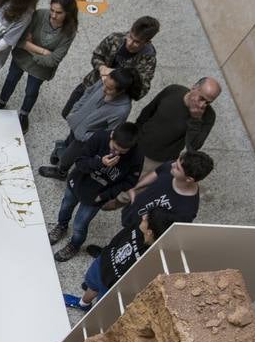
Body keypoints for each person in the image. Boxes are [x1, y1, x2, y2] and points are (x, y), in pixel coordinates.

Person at [47, 122, 143, 262]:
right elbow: (80, 162)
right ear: (111, 136)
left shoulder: (137, 157)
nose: (116, 154)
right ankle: (61, 226)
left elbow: (129, 182)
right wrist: (100, 163)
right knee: (65, 207)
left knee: (80, 225)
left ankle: (74, 245)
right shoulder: (99, 137)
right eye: (114, 148)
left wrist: (104, 196)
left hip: (97, 196)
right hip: (77, 183)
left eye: (122, 152)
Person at [0, 0, 79, 132]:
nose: (53, 16)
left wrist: (28, 46)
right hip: (21, 57)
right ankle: (2, 101)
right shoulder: (40, 15)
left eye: (59, 13)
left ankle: (24, 114)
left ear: (68, 12)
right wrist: (42, 51)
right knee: (11, 79)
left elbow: (53, 61)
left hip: (40, 68)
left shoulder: (69, 31)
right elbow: (18, 39)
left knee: (31, 91)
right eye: (52, 10)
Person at [64, 209, 178, 310]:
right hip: (102, 264)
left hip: (111, 286)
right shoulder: (137, 226)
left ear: (150, 232)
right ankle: (83, 304)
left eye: (146, 219)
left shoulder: (151, 256)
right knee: (92, 286)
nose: (143, 217)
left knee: (101, 307)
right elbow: (117, 239)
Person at [38, 67, 137, 179]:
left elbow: (109, 133)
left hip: (85, 138)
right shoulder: (106, 82)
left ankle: (61, 172)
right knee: (69, 140)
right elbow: (88, 93)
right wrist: (75, 111)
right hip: (77, 123)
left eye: (109, 89)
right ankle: (60, 151)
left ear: (121, 91)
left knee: (69, 156)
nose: (104, 89)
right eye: (104, 84)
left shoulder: (122, 110)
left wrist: (85, 136)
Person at [62, 16, 160, 117]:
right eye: (130, 36)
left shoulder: (148, 60)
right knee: (67, 113)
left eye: (137, 42)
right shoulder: (115, 38)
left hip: (109, 101)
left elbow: (141, 91)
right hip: (90, 84)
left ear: (147, 42)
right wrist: (101, 67)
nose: (130, 43)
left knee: (82, 125)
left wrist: (119, 79)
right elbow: (97, 55)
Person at [126, 77, 222, 178]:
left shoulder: (208, 116)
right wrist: (133, 135)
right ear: (194, 87)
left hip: (158, 160)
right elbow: (148, 111)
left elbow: (193, 146)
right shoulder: (173, 90)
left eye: (208, 102)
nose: (202, 105)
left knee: (133, 186)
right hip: (137, 144)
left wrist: (195, 120)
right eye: (201, 98)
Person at [118, 150, 214, 232]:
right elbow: (157, 173)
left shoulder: (186, 211)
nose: (172, 164)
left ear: (189, 179)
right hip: (131, 212)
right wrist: (134, 188)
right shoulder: (171, 167)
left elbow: (166, 231)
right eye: (176, 162)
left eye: (178, 168)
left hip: (140, 230)